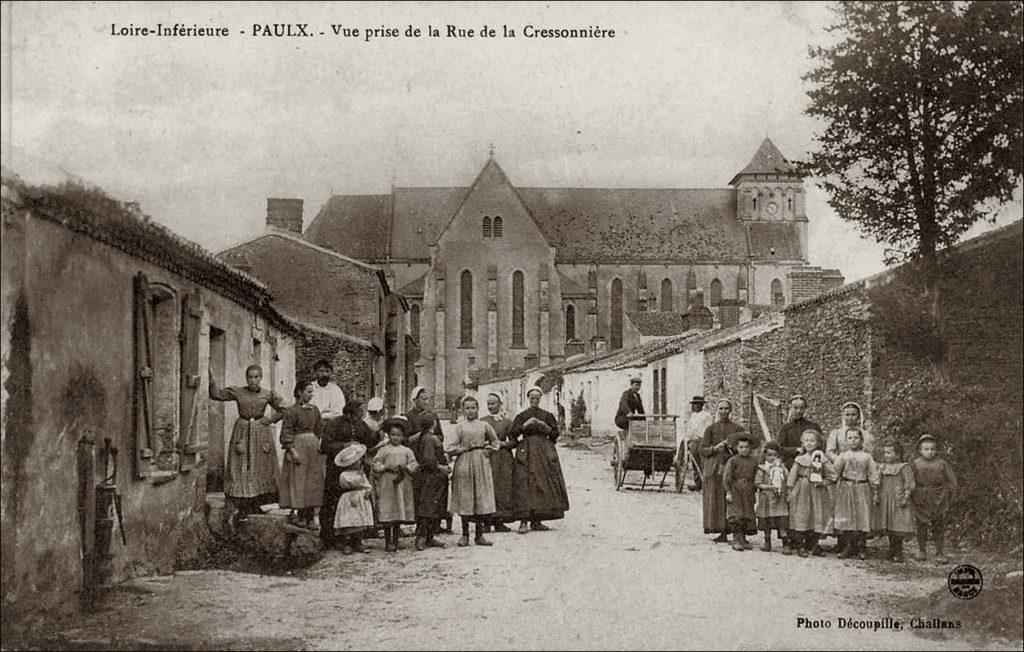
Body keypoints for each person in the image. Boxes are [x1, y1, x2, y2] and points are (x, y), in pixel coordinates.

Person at [208, 365, 284, 524]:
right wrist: (211, 375)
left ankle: (259, 502)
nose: (253, 380)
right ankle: (240, 504)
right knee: (240, 464)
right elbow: (215, 395)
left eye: (256, 377)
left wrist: (269, 420)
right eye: (250, 377)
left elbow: (284, 409)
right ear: (246, 378)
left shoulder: (267, 394)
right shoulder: (238, 392)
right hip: (242, 431)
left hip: (261, 432)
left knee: (261, 465)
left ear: (261, 378)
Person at [510, 387, 570, 534]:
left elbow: (555, 434)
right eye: (532, 398)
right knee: (525, 482)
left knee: (542, 483)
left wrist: (545, 427)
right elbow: (513, 434)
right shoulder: (521, 416)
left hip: (543, 452)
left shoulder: (547, 415)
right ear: (528, 399)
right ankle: (524, 521)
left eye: (537, 398)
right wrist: (525, 425)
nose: (535, 400)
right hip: (527, 451)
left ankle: (537, 520)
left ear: (540, 399)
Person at [318, 400, 376, 547]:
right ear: (348, 414)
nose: (359, 418)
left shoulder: (360, 424)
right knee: (335, 502)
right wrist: (344, 446)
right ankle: (332, 538)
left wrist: (380, 432)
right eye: (356, 415)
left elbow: (370, 439)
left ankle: (356, 538)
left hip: (356, 467)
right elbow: (325, 446)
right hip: (337, 470)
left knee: (357, 502)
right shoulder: (334, 424)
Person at [448, 396, 500, 547]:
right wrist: (463, 449)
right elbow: (450, 448)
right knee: (466, 497)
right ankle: (465, 535)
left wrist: (489, 450)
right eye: (467, 408)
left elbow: (495, 441)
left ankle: (479, 535)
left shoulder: (484, 425)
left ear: (478, 409)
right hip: (464, 462)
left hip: (481, 462)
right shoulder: (459, 427)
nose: (470, 411)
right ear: (462, 410)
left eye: (473, 408)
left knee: (480, 497)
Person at [824, 401, 875, 554]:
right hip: (842, 475)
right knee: (842, 510)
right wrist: (841, 460)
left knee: (860, 511)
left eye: (854, 414)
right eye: (847, 414)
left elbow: (869, 455)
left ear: (859, 416)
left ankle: (859, 545)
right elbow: (829, 452)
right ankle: (843, 543)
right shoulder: (837, 433)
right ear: (843, 416)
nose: (850, 417)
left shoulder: (866, 435)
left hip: (860, 475)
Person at [278, 380, 324, 530]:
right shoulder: (291, 411)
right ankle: (300, 515)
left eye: (312, 392)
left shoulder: (315, 410)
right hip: (298, 447)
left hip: (313, 448)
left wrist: (319, 443)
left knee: (313, 481)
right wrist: (292, 450)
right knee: (299, 480)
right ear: (299, 392)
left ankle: (310, 517)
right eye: (308, 391)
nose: (311, 395)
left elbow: (320, 429)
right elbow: (286, 432)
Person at [699, 399, 746, 542]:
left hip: (732, 467)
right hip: (715, 468)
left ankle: (738, 532)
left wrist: (731, 447)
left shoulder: (737, 429)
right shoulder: (711, 429)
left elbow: (744, 447)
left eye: (726, 408)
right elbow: (702, 449)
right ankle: (722, 531)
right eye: (721, 409)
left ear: (730, 410)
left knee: (734, 499)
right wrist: (714, 448)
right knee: (718, 499)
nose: (724, 411)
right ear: (717, 410)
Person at [405, 386, 450, 533]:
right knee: (421, 493)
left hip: (432, 453)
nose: (426, 401)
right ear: (415, 400)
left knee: (437, 492)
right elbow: (405, 439)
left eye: (427, 398)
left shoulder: (432, 416)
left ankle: (435, 524)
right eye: (423, 399)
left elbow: (440, 435)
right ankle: (422, 527)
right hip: (417, 456)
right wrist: (423, 436)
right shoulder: (408, 416)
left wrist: (434, 439)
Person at [372, 417, 419, 553]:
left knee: (399, 509)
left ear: (403, 436)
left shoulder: (406, 451)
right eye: (393, 435)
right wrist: (385, 467)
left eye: (398, 435)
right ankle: (388, 541)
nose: (396, 438)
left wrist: (406, 467)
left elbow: (414, 463)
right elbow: (376, 463)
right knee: (388, 510)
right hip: (387, 483)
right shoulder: (384, 449)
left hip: (402, 483)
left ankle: (396, 539)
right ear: (388, 435)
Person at [786, 430, 836, 557]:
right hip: (802, 490)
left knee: (816, 514)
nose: (809, 443)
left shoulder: (822, 459)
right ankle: (800, 546)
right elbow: (792, 476)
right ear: (802, 442)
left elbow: (833, 476)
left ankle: (813, 544)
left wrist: (823, 482)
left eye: (812, 441)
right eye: (806, 440)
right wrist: (789, 489)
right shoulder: (799, 459)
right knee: (801, 515)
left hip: (817, 491)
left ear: (818, 443)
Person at [832, 428, 879, 560]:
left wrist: (875, 490)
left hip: (863, 488)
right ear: (846, 441)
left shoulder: (867, 457)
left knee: (862, 517)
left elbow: (872, 474)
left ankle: (861, 547)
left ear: (861, 440)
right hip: (846, 488)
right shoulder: (843, 456)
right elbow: (834, 473)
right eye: (850, 438)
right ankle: (848, 546)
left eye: (856, 438)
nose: (853, 440)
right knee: (847, 517)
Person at [911, 434, 958, 563]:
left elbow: (951, 480)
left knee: (938, 525)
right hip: (921, 498)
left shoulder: (941, 463)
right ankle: (921, 550)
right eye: (926, 449)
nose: (930, 452)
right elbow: (910, 481)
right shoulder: (916, 463)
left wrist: (949, 494)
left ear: (936, 450)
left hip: (938, 497)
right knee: (921, 525)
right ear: (920, 450)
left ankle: (939, 552)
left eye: (932, 449)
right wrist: (910, 494)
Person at [408, 411, 450, 551]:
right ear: (434, 423)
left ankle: (429, 537)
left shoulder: (419, 437)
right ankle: (422, 537)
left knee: (429, 507)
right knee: (429, 508)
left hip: (424, 477)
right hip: (432, 477)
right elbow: (429, 460)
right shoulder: (431, 439)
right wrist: (441, 467)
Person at [873, 440, 916, 563]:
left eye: (889, 453)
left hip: (898, 499)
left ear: (897, 454)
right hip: (885, 499)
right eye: (885, 453)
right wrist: (876, 494)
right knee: (888, 524)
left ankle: (898, 550)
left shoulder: (904, 467)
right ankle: (891, 549)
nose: (886, 455)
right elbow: (877, 482)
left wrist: (906, 496)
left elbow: (909, 483)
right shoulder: (882, 467)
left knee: (898, 524)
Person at [481, 391, 516, 532]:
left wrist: (502, 444)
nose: (490, 406)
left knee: (502, 488)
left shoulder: (508, 422)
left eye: (493, 403)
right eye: (488, 404)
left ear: (500, 404)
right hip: (488, 457)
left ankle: (500, 521)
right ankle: (486, 522)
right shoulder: (482, 421)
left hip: (503, 459)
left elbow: (514, 442)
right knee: (488, 487)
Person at [332, 443, 374, 555]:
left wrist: (367, 491)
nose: (360, 463)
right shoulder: (344, 475)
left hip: (360, 498)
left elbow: (366, 484)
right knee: (349, 520)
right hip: (349, 498)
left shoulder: (361, 473)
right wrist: (359, 477)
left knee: (359, 520)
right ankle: (347, 543)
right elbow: (350, 483)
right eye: (358, 461)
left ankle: (358, 542)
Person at [722, 432, 761, 552]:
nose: (744, 449)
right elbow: (727, 477)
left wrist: (755, 489)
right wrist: (728, 492)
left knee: (747, 515)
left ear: (751, 448)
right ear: (736, 448)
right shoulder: (733, 460)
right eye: (741, 447)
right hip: (736, 489)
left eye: (746, 447)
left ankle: (743, 538)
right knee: (736, 515)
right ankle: (736, 539)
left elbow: (756, 475)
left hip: (748, 490)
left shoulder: (753, 461)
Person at [754, 441, 790, 554]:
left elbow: (788, 479)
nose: (772, 457)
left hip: (779, 499)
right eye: (769, 455)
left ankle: (786, 544)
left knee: (781, 522)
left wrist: (782, 469)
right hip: (767, 499)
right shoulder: (763, 468)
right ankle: (767, 542)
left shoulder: (781, 469)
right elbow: (758, 483)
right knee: (767, 521)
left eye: (774, 455)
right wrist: (770, 487)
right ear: (765, 455)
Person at [676, 396, 713, 492]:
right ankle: (698, 484)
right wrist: (687, 439)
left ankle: (706, 484)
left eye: (697, 404)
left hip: (702, 441)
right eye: (694, 404)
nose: (695, 406)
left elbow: (709, 430)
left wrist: (707, 442)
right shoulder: (693, 416)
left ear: (701, 405)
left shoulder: (706, 416)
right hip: (693, 441)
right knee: (694, 462)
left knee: (702, 462)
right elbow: (689, 429)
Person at [776, 395, 823, 468]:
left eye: (801, 408)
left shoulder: (813, 426)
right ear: (790, 408)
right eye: (795, 408)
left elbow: (822, 444)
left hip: (812, 462)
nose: (799, 411)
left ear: (805, 408)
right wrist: (795, 450)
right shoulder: (785, 428)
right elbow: (779, 448)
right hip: (791, 463)